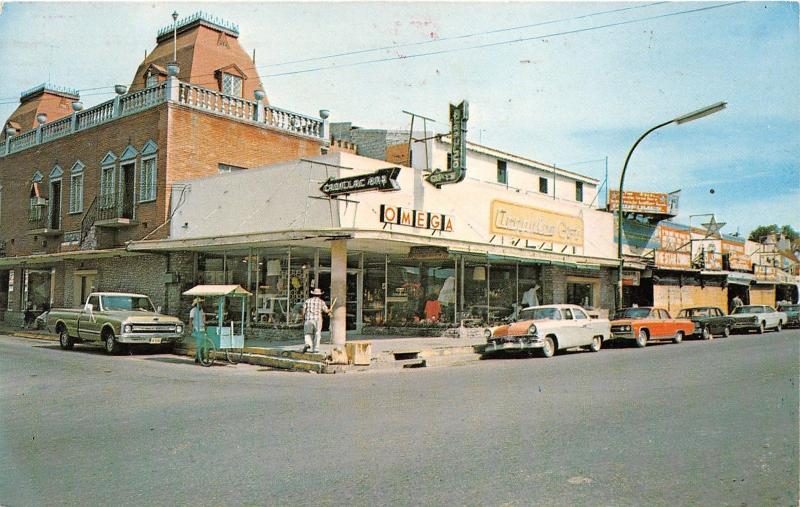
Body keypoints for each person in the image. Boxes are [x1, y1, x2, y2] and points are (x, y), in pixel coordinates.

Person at [301, 288, 331, 354]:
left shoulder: (307, 301)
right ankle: (316, 349)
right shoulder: (321, 302)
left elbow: (303, 311)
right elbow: (326, 311)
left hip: (308, 319)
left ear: (313, 294)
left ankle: (308, 344)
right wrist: (329, 310)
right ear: (320, 295)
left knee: (308, 333)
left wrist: (303, 318)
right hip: (317, 319)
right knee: (317, 334)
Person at [189, 297, 206, 363]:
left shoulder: (201, 310)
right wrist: (190, 329)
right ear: (197, 304)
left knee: (202, 344)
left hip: (202, 328)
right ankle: (198, 357)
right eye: (200, 303)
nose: (202, 304)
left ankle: (199, 357)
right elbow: (190, 320)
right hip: (196, 328)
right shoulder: (193, 310)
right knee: (199, 344)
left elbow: (203, 319)